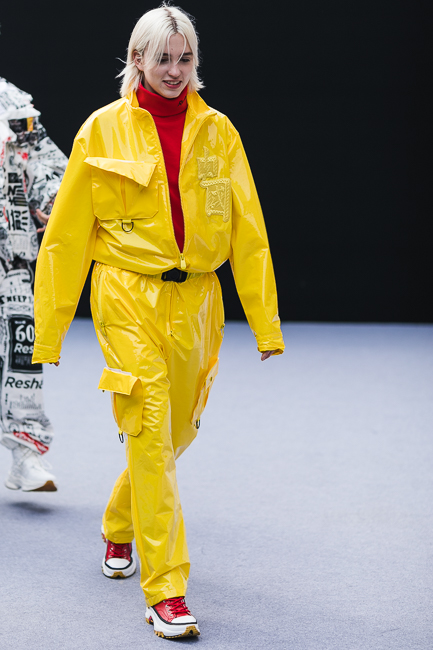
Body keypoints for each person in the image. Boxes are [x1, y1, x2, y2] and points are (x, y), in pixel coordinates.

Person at [32, 4, 285, 639]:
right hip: (126, 295)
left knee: (174, 434)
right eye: (163, 58)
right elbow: (65, 238)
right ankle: (166, 589)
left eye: (185, 58)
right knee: (148, 428)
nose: (175, 71)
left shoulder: (219, 133)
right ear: (137, 59)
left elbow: (249, 233)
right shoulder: (102, 131)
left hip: (197, 301)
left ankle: (120, 522)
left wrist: (265, 323)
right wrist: (50, 329)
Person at [0, 77, 67, 491]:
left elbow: (44, 161)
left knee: (22, 354)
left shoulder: (12, 102)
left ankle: (25, 455)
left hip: (14, 254)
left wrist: (52, 197)